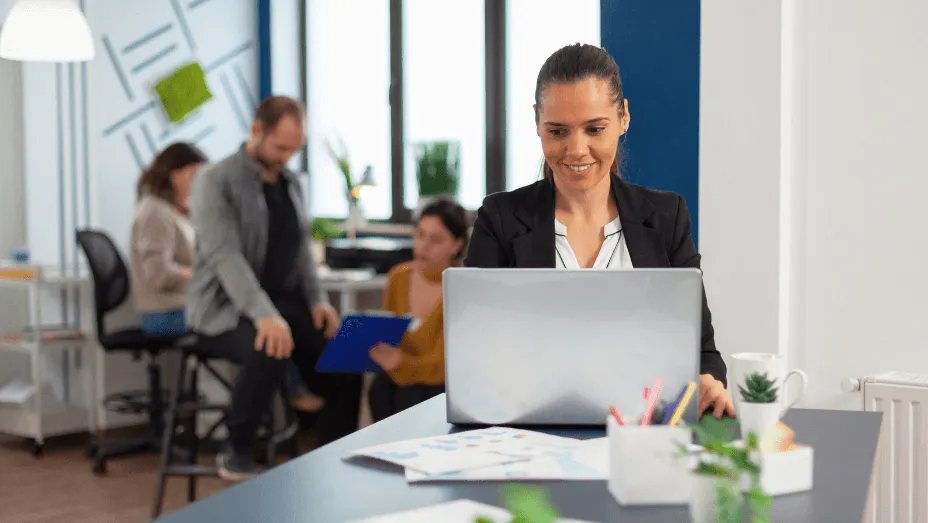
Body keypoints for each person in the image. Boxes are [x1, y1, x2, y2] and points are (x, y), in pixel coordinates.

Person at [463, 43, 735, 419]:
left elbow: (702, 351)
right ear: (537, 123)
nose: (576, 150)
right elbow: (473, 357)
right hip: (529, 433)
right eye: (557, 131)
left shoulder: (666, 217)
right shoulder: (500, 220)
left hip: (645, 434)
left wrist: (707, 380)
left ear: (623, 117)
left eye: (595, 128)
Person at [186, 96, 362, 480]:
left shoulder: (293, 184)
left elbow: (301, 249)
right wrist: (264, 315)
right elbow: (225, 256)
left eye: (293, 149)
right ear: (255, 131)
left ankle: (333, 462)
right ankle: (237, 449)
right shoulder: (214, 181)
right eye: (280, 147)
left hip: (285, 305)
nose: (285, 158)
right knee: (267, 344)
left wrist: (317, 300)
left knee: (346, 356)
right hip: (224, 309)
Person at [367, 197, 468, 422]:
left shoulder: (463, 285)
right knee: (379, 388)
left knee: (412, 395)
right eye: (420, 235)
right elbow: (391, 336)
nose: (424, 246)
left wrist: (401, 364)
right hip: (400, 375)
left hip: (440, 382)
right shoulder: (398, 277)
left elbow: (444, 366)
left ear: (457, 245)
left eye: (436, 239)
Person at [130, 142, 207, 337]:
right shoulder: (155, 212)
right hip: (163, 314)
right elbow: (159, 274)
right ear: (173, 175)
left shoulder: (175, 211)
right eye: (193, 176)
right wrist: (201, 278)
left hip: (179, 307)